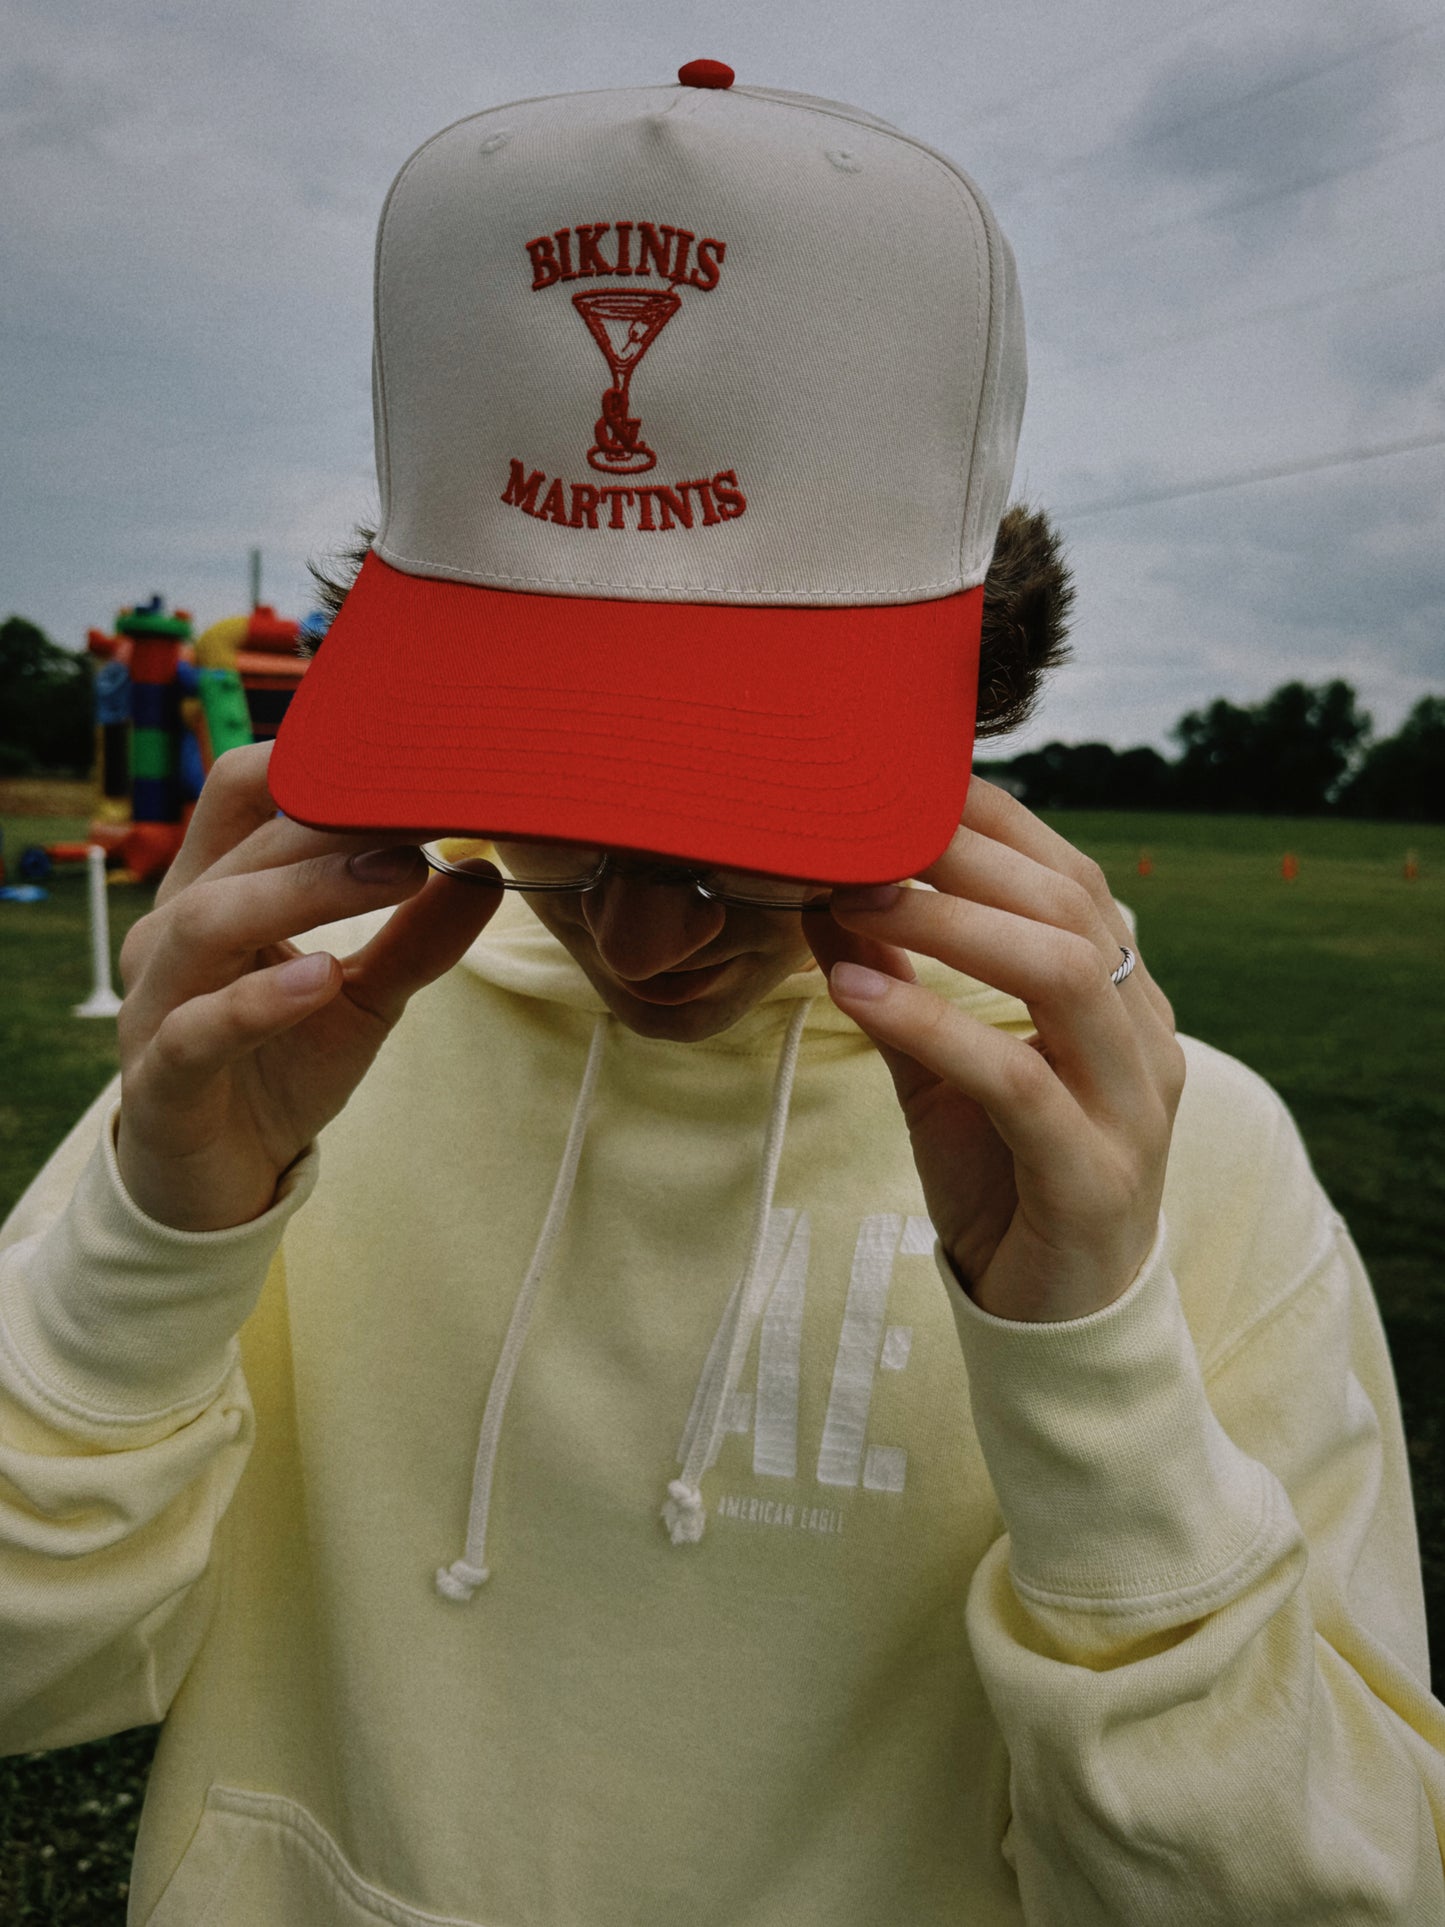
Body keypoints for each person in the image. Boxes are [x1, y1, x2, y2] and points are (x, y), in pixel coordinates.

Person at [3, 64, 1444, 1927]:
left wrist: (1091, 1377)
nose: (642, 937)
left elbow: (1321, 1899)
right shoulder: (277, 1059)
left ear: (967, 716)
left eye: (737, 816)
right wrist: (158, 1239)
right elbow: (36, 1684)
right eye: (549, 806)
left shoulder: (1185, 1159)